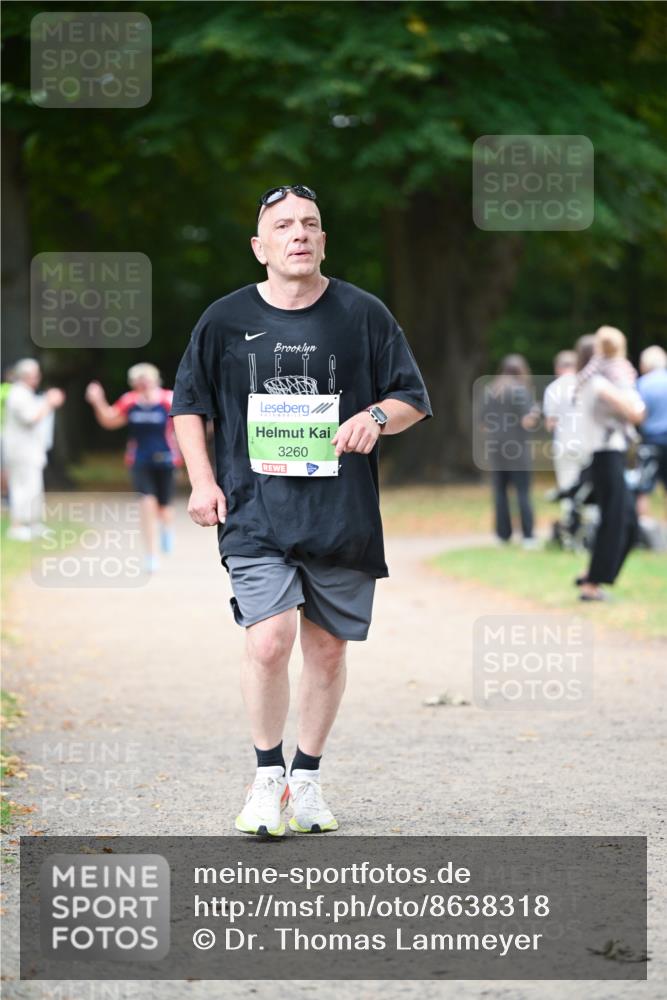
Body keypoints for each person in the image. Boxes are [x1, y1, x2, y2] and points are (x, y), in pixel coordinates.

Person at [170, 184, 431, 837]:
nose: (299, 234)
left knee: (329, 649)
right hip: (255, 510)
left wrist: (374, 416)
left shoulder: (362, 313)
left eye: (310, 224)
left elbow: (411, 398)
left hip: (341, 512)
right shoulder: (224, 320)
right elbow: (188, 408)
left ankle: (306, 781)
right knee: (267, 641)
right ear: (259, 247)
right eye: (283, 225)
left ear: (322, 239)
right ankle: (266, 779)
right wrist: (202, 484)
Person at [85, 363, 181, 572]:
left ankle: (167, 529)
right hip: (139, 460)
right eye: (139, 380)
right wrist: (98, 401)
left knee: (164, 508)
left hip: (166, 459)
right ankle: (151, 555)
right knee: (146, 504)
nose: (143, 384)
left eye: (147, 379)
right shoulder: (130, 401)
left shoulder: (168, 400)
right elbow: (110, 420)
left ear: (156, 380)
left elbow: (185, 425)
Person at [574, 330, 646, 601]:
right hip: (605, 456)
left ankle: (592, 574)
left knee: (627, 521)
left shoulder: (600, 380)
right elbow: (635, 412)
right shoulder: (599, 383)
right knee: (615, 520)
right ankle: (591, 584)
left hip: (610, 456)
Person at [481, 354, 539, 548]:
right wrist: (535, 413)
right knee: (522, 491)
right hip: (517, 448)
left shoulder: (491, 389)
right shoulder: (520, 390)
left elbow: (483, 423)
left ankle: (502, 535)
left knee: (500, 492)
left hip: (496, 447)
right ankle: (528, 536)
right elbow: (527, 421)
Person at [3, 358, 65, 540]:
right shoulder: (18, 394)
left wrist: (47, 401)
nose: (38, 378)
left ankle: (32, 523)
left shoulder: (26, 394)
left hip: (31, 450)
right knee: (21, 487)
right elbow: (32, 418)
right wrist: (50, 402)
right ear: (27, 376)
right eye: (35, 375)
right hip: (20, 451)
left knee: (34, 487)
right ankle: (17, 525)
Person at [543, 350, 581, 511]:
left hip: (564, 443)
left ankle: (571, 523)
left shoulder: (553, 388)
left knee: (566, 485)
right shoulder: (586, 383)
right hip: (587, 442)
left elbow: (551, 423)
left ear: (558, 368)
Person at [635, 345, 667, 520]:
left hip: (651, 440)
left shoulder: (642, 384)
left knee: (644, 487)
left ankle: (645, 527)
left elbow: (638, 414)